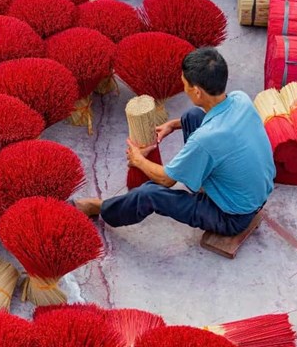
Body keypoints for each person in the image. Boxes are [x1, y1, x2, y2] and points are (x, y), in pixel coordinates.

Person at [74, 48, 275, 237]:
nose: (183, 88)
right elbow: (217, 123)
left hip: (232, 217)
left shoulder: (205, 139)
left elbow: (166, 180)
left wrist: (137, 160)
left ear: (197, 91)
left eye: (184, 84)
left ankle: (99, 207)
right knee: (191, 116)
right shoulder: (241, 99)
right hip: (256, 194)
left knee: (150, 193)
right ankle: (204, 183)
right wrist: (173, 124)